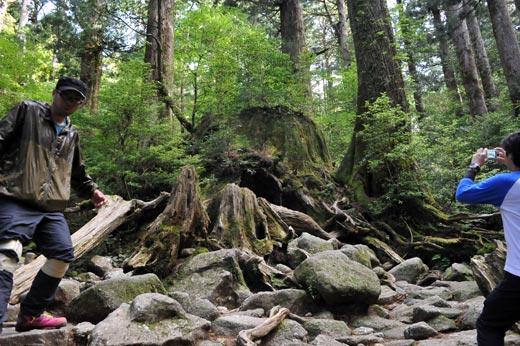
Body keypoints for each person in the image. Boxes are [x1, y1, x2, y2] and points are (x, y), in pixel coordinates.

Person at [0, 76, 108, 333]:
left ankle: (30, 315)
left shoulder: (72, 133)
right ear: (54, 93)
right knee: (7, 254)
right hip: (16, 196)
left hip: (51, 208)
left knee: (62, 255)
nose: (69, 102)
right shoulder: (27, 111)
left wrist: (92, 191)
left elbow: (77, 171)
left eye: (76, 99)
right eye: (66, 96)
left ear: (81, 104)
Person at [456, 131, 520, 346]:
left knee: (489, 324)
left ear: (509, 155)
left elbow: (463, 194)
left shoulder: (505, 183)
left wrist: (475, 166)